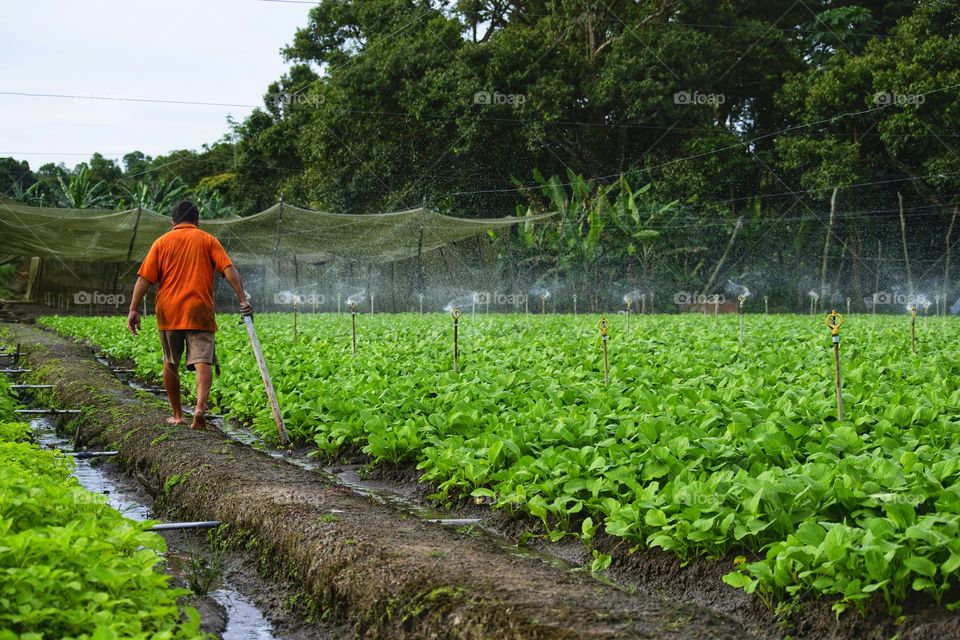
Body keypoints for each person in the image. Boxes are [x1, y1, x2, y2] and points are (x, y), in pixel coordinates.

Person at [126, 200, 253, 430]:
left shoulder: (161, 242)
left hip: (169, 312)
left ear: (173, 221)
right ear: (197, 220)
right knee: (203, 361)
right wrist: (243, 299)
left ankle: (177, 414)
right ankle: (199, 408)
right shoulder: (207, 240)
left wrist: (134, 309)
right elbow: (229, 270)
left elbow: (144, 278)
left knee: (170, 362)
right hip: (199, 310)